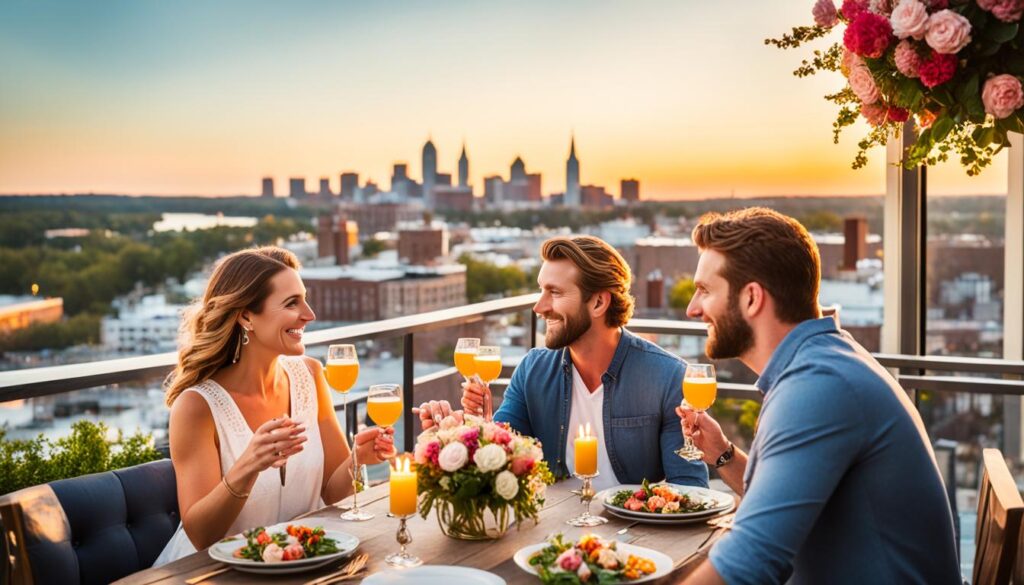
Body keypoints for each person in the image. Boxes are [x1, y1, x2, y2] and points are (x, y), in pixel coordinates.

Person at [678, 209, 960, 584]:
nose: (692, 308)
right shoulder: (825, 360)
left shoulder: (818, 386)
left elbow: (749, 564)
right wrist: (723, 453)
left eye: (705, 290)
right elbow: (783, 502)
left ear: (751, 298)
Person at [155, 247, 395, 565]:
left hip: (300, 565)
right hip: (211, 573)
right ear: (245, 316)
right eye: (291, 303)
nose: (309, 314)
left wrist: (357, 458)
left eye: (304, 299)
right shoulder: (196, 406)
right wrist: (249, 465)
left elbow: (334, 493)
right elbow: (201, 535)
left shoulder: (310, 374)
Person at [419, 236, 707, 490]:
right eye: (541, 291)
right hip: (547, 531)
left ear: (597, 303)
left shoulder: (667, 376)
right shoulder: (532, 369)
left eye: (554, 293)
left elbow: (690, 487)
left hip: (633, 535)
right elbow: (500, 464)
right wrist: (463, 431)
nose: (539, 307)